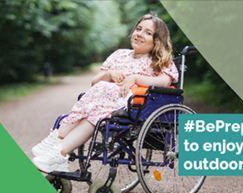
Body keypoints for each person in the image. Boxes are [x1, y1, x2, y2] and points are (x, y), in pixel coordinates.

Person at [31, 14, 179, 173]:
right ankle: (59, 150)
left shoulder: (158, 61)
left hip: (134, 105)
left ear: (157, 41)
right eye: (138, 29)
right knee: (96, 104)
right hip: (103, 101)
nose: (140, 34)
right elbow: (95, 82)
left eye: (148, 33)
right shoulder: (119, 55)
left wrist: (135, 78)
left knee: (99, 105)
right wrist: (109, 74)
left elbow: (164, 82)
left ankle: (57, 143)